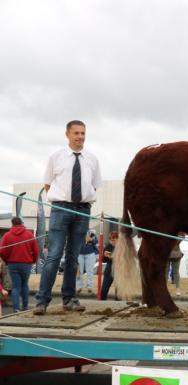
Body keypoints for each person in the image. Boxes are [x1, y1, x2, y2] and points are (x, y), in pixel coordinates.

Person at [34, 120, 102, 315]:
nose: (80, 137)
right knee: (54, 255)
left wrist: (81, 202)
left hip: (82, 210)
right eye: (76, 133)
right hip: (61, 209)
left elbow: (94, 186)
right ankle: (42, 301)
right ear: (67, 135)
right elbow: (47, 184)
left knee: (73, 257)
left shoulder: (92, 159)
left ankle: (70, 298)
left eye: (83, 133)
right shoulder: (56, 157)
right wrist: (62, 201)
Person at [0, 217, 39, 313]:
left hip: (12, 264)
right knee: (24, 285)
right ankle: (25, 307)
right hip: (26, 263)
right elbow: (36, 250)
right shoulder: (29, 234)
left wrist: (6, 260)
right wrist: (33, 260)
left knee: (16, 287)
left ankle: (16, 309)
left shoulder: (7, 235)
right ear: (22, 223)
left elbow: (2, 251)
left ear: (12, 224)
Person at [100, 231, 118, 300]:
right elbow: (103, 260)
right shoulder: (108, 246)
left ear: (118, 239)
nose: (112, 242)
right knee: (104, 290)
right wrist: (105, 255)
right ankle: (102, 304)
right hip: (109, 270)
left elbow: (124, 259)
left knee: (119, 293)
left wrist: (113, 257)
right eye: (110, 240)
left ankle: (118, 305)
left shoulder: (122, 247)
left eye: (114, 240)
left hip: (119, 271)